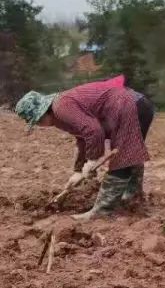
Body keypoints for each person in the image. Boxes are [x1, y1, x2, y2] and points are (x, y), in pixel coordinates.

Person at [15, 77, 156, 220]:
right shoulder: (60, 110)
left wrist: (92, 160)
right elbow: (82, 137)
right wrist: (78, 170)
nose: (39, 126)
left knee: (123, 157)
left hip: (130, 106)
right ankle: (132, 196)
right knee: (129, 151)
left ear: (42, 114)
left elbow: (94, 131)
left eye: (37, 122)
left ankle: (103, 211)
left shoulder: (61, 108)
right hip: (136, 104)